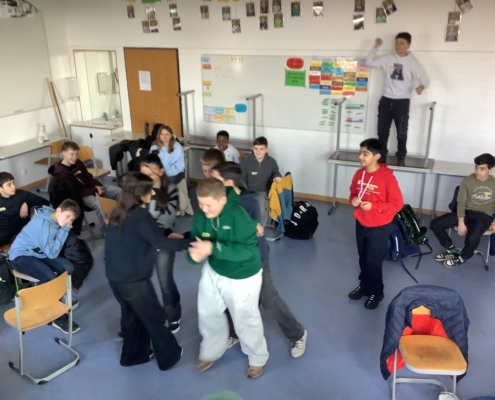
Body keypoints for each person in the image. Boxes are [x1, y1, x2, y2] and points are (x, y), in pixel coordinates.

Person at [211, 162, 307, 358]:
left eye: (216, 180)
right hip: (231, 259)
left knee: (268, 300)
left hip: (254, 259)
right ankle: (234, 333)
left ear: (229, 183)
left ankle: (298, 334)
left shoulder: (249, 204)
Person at [105, 172, 190, 370]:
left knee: (131, 316)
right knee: (154, 318)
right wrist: (190, 243)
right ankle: (169, 358)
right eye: (149, 189)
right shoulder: (141, 215)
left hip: (115, 277)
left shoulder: (119, 211)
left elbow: (140, 238)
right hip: (133, 281)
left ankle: (133, 356)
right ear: (139, 192)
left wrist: (164, 238)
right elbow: (161, 244)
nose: (152, 193)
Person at [187, 178, 269, 379]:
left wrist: (213, 248)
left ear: (222, 200)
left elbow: (246, 251)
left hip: (243, 275)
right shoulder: (202, 215)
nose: (204, 209)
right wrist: (193, 257)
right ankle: (210, 351)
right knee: (207, 312)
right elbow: (196, 241)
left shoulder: (238, 215)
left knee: (245, 319)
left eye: (209, 205)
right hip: (215, 270)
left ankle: (257, 358)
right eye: (200, 204)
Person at [9, 199, 82, 333]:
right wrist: (64, 230)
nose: (68, 222)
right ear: (58, 210)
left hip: (38, 251)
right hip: (20, 256)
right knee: (50, 278)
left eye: (71, 219)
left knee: (68, 268)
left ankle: (58, 298)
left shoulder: (52, 214)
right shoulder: (45, 226)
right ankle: (57, 317)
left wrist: (63, 226)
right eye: (67, 216)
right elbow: (52, 253)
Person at [348, 139, 403, 310]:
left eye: (365, 154)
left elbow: (397, 204)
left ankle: (376, 292)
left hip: (380, 225)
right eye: (360, 153)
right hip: (361, 221)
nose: (361, 157)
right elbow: (353, 193)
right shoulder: (359, 174)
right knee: (363, 257)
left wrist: (374, 206)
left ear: (377, 156)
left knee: (373, 260)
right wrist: (353, 200)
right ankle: (364, 286)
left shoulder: (387, 178)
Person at [365, 33, 429, 166]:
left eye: (401, 43)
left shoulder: (412, 62)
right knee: (382, 131)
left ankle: (401, 157)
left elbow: (424, 78)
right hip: (386, 100)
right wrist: (375, 47)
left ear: (408, 45)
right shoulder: (388, 59)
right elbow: (368, 62)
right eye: (396, 43)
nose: (398, 46)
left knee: (401, 132)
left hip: (402, 101)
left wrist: (421, 87)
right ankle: (381, 157)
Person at [139, 154, 182, 332]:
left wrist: (152, 238)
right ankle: (145, 316)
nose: (146, 179)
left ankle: (173, 315)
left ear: (161, 172)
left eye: (150, 175)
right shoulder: (138, 188)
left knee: (165, 282)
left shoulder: (170, 190)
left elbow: (167, 219)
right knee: (140, 282)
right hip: (141, 241)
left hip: (162, 240)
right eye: (143, 175)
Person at [431, 154, 495, 268]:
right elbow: (461, 203)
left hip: (484, 215)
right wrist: (461, 222)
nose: (477, 171)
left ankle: (464, 256)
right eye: (476, 167)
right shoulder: (467, 181)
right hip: (467, 212)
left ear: (491, 170)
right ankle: (452, 249)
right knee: (435, 224)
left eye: (482, 169)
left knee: (473, 236)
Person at [48, 141, 121, 224]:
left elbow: (88, 177)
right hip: (82, 196)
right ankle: (108, 228)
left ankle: (123, 220)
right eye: (72, 154)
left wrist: (97, 185)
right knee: (99, 205)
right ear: (64, 153)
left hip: (91, 188)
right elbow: (76, 192)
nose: (75, 157)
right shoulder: (62, 173)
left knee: (119, 191)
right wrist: (94, 191)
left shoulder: (78, 163)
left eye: (76, 154)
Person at [240, 136, 282, 227]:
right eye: (256, 148)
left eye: (261, 149)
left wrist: (277, 176)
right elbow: (242, 178)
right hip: (247, 191)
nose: (258, 152)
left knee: (261, 209)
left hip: (263, 192)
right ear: (252, 148)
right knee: (243, 208)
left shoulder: (271, 162)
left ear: (266, 149)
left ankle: (259, 229)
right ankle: (246, 227)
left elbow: (276, 172)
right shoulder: (246, 162)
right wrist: (245, 192)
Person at [0, 172, 50, 245]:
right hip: (3, 231)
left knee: (21, 246)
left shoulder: (22, 195)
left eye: (13, 183)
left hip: (20, 229)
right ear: (1, 188)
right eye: (9, 185)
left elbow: (45, 202)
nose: (13, 187)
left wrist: (26, 203)